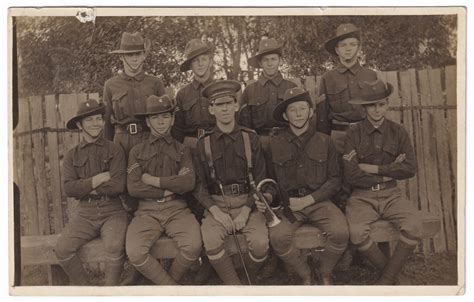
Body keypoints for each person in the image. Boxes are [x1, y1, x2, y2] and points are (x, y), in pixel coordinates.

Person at [260, 87, 349, 285]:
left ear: (311, 111)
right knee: (278, 237)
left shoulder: (326, 142)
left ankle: (324, 271)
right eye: (293, 109)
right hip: (288, 205)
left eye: (303, 108)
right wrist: (268, 196)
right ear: (285, 115)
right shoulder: (275, 144)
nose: (298, 114)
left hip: (319, 201)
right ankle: (305, 273)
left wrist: (310, 199)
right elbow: (270, 181)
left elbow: (335, 180)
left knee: (341, 232)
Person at [343, 79, 421, 285]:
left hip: (391, 194)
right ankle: (392, 275)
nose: (377, 110)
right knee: (357, 233)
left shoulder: (398, 131)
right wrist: (392, 169)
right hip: (362, 196)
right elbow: (351, 174)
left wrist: (375, 169)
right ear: (364, 107)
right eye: (372, 105)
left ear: (387, 104)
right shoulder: (353, 133)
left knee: (414, 225)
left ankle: (385, 281)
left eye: (381, 104)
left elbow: (410, 168)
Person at [193, 80, 270, 285]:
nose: (225, 108)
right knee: (210, 240)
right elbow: (198, 186)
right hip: (218, 204)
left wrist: (246, 211)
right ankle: (234, 287)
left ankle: (247, 279)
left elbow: (261, 180)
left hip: (248, 202)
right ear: (211, 109)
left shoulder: (250, 138)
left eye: (229, 103)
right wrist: (216, 212)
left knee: (261, 244)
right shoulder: (204, 143)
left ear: (236, 105)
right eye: (219, 104)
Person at [125, 95, 202, 285]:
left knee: (193, 246)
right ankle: (171, 289)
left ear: (173, 119)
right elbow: (133, 187)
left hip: (177, 209)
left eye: (165, 116)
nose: (161, 121)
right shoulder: (137, 151)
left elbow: (187, 184)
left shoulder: (182, 150)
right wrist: (167, 190)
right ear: (148, 122)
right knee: (135, 251)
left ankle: (167, 285)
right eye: (155, 117)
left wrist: (152, 181)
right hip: (146, 211)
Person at [55, 99, 128, 285]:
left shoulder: (115, 149)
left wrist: (84, 188)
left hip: (113, 211)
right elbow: (69, 188)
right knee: (63, 249)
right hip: (85, 214)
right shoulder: (72, 155)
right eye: (89, 120)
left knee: (114, 246)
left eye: (98, 118)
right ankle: (87, 291)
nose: (96, 123)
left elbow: (119, 186)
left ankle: (109, 292)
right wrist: (97, 179)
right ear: (80, 125)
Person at [318, 23, 378, 152]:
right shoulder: (327, 78)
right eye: (343, 45)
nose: (348, 49)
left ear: (359, 48)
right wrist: (324, 143)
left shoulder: (371, 76)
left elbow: (378, 110)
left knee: (366, 171)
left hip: (366, 135)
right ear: (337, 49)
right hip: (338, 138)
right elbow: (322, 116)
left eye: (352, 44)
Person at [238, 38, 297, 149]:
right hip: (259, 143)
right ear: (260, 63)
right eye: (266, 60)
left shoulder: (291, 88)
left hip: (287, 142)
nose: (270, 64)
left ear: (279, 60)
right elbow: (243, 124)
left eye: (273, 59)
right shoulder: (250, 91)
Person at [172, 38, 216, 148]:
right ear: (190, 66)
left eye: (204, 59)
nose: (200, 64)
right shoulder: (182, 94)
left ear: (210, 62)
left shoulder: (219, 88)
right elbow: (177, 130)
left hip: (217, 143)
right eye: (195, 61)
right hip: (191, 146)